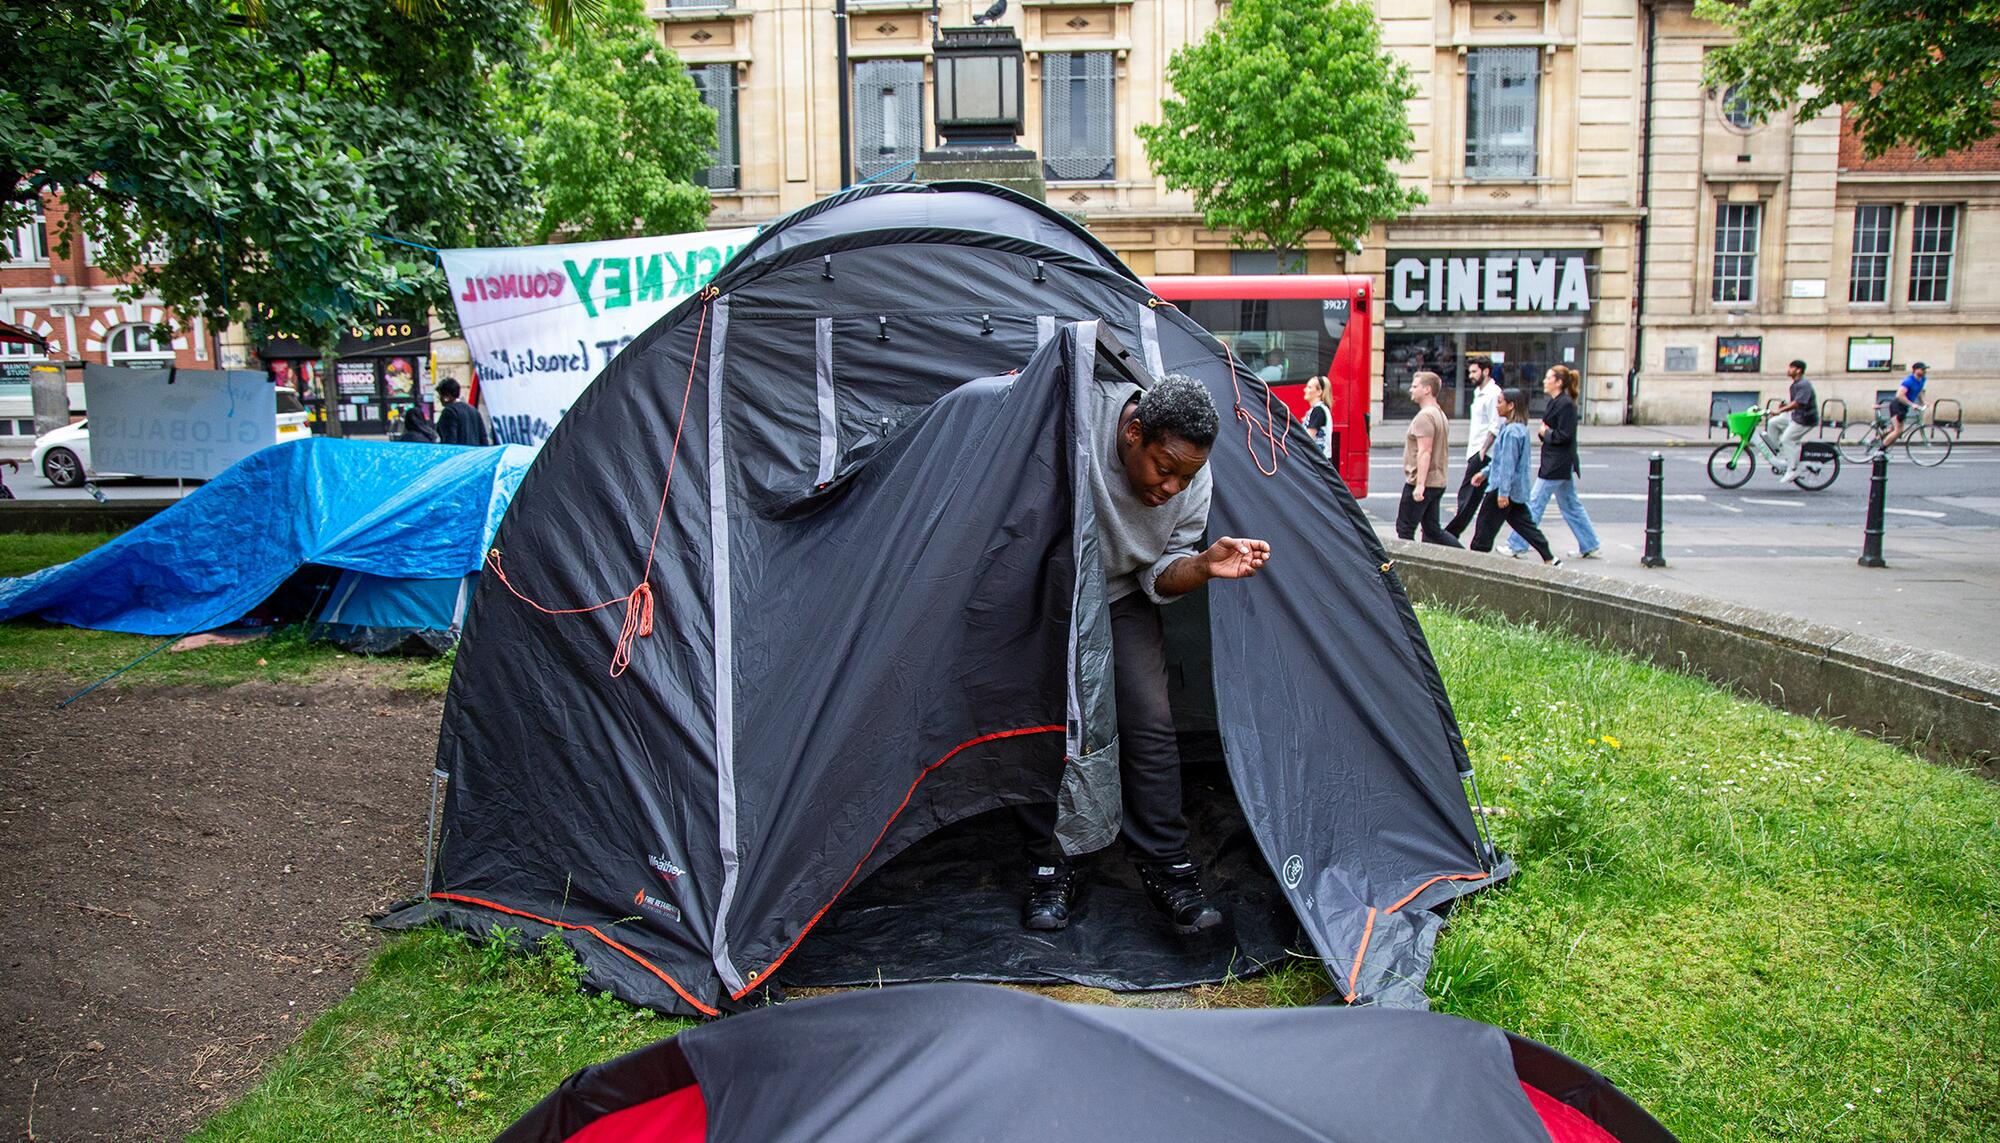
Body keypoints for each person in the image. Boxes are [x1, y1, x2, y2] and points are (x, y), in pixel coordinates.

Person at [1022, 374, 1272, 936]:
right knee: (1052, 725)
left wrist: (1205, 564)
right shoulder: (1078, 420)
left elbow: (1161, 574)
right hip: (1047, 588)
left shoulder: (1191, 477)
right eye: (1166, 468)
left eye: (1187, 476)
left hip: (1120, 591)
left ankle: (1167, 868)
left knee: (1151, 723)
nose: (1172, 488)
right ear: (1132, 432)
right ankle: (1052, 865)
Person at [1507, 365, 1601, 560]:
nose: (1544, 381)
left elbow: (1565, 435)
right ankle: (1590, 544)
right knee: (1570, 504)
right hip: (1557, 462)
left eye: (1548, 378)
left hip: (1556, 463)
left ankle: (1517, 544)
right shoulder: (1556, 402)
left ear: (1558, 382)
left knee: (1535, 503)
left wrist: (1545, 433)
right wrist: (1546, 433)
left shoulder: (1565, 404)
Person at [1468, 389, 1559, 564]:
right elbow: (1499, 461)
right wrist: (1484, 473)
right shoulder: (1516, 429)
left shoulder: (1512, 432)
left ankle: (1476, 563)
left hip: (1502, 489)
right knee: (1524, 525)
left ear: (1511, 406)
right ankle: (1549, 557)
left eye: (1500, 402)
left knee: (1484, 528)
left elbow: (1508, 465)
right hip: (1513, 489)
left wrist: (1503, 493)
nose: (1497, 406)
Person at [1394, 371, 1463, 547]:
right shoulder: (1439, 413)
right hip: (1437, 481)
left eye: (1415, 386)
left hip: (1422, 482)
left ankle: (1404, 567)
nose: (1411, 389)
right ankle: (1465, 557)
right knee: (1432, 530)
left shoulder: (1425, 417)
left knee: (1405, 529)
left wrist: (1419, 486)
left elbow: (1425, 451)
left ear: (1427, 389)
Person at [1445, 356, 1501, 536]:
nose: (1471, 375)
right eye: (1470, 372)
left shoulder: (1493, 393)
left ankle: (1451, 534)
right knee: (1479, 497)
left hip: (1483, 452)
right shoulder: (1479, 392)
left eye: (1474, 371)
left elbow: (1495, 425)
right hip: (1475, 449)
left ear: (1486, 371)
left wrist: (1483, 451)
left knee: (1468, 495)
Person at [1769, 359, 1817, 484]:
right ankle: (1776, 450)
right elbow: (1794, 400)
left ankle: (1793, 469)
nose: (1788, 370)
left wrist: (1781, 410)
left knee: (1787, 439)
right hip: (1795, 416)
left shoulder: (1804, 384)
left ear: (1798, 370)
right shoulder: (1796, 383)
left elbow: (1798, 402)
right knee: (1773, 423)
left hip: (1805, 419)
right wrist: (1784, 405)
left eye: (1791, 368)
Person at [1878, 361, 1927, 453]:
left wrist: (1924, 402)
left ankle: (1877, 439)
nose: (1925, 371)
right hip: (1898, 406)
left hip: (1904, 407)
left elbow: (1919, 391)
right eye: (1923, 369)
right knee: (1898, 431)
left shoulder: (1922, 380)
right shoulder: (1909, 381)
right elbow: (1899, 395)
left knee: (1893, 430)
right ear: (1916, 370)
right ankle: (1880, 450)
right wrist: (1912, 404)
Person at [436, 377, 493, 446]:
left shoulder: (449, 412)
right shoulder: (474, 410)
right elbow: (483, 439)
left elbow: (450, 442)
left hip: (459, 455)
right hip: (474, 454)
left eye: (440, 395)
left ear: (447, 396)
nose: (439, 398)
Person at [1302, 376, 1333, 460]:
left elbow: (1308, 437)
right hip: (1319, 458)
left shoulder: (1318, 410)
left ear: (1319, 392)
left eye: (1309, 387)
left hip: (1318, 460)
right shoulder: (1320, 408)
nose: (1305, 390)